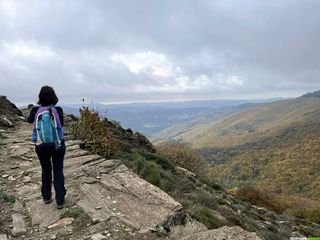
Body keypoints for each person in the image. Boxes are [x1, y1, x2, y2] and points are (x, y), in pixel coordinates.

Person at [27, 86, 66, 209]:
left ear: (40, 97)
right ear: (54, 96)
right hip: (57, 144)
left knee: (46, 170)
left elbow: (29, 121)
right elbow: (61, 124)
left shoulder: (35, 110)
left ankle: (46, 196)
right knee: (58, 170)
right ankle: (60, 199)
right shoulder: (58, 109)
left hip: (41, 145)